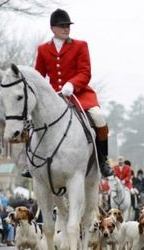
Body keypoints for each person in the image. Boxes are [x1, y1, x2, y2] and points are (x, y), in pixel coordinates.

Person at [22, 8, 113, 178]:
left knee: (99, 117)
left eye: (68, 26)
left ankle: (102, 160)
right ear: (53, 28)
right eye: (62, 26)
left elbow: (85, 72)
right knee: (30, 121)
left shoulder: (80, 45)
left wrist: (72, 84)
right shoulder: (43, 49)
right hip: (54, 96)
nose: (66, 28)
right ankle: (30, 162)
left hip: (79, 94)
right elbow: (39, 76)